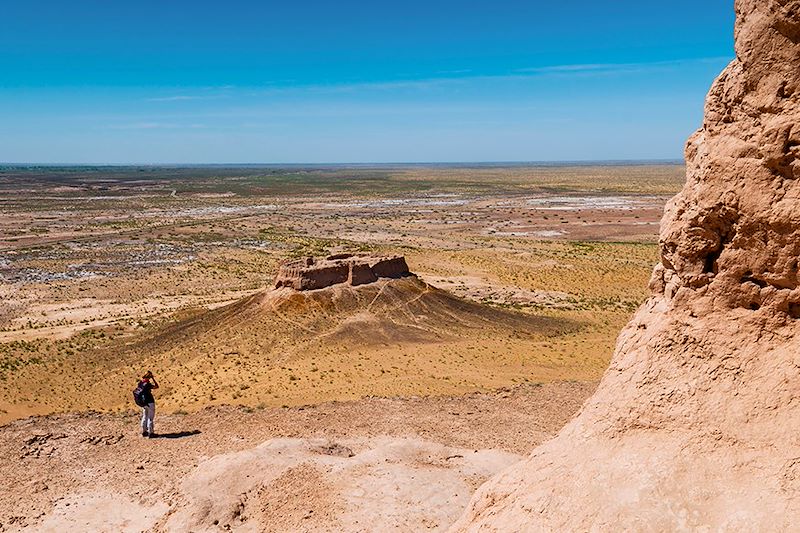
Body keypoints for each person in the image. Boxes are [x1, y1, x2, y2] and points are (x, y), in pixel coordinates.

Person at [138, 371, 159, 438]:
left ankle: (144, 432)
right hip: (150, 402)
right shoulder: (147, 384)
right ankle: (151, 433)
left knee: (145, 416)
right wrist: (153, 379)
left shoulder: (140, 383)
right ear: (149, 377)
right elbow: (157, 386)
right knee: (150, 418)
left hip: (143, 403)